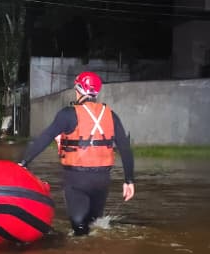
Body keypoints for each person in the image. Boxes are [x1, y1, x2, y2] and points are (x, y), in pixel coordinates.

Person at [18, 70, 135, 235]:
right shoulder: (111, 115)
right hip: (102, 181)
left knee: (79, 228)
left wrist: (23, 162)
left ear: (79, 89)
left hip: (77, 180)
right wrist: (129, 180)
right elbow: (125, 147)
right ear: (96, 92)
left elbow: (44, 138)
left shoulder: (67, 114)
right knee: (95, 226)